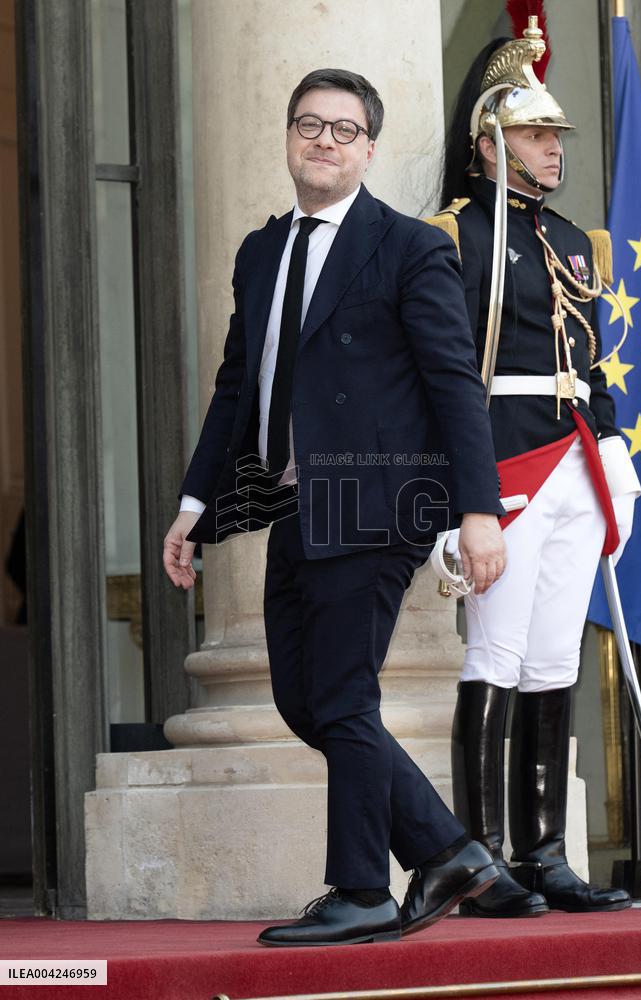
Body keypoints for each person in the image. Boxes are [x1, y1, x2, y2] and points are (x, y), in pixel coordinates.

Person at [163, 68, 508, 947]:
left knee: (344, 696)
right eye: (310, 125)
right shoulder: (259, 251)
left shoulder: (409, 247)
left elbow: (454, 388)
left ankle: (363, 891)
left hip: (381, 496)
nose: (324, 140)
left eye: (344, 130)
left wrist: (480, 511)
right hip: (295, 504)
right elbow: (236, 387)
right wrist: (196, 502)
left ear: (368, 148)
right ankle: (445, 851)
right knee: (303, 700)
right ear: (288, 138)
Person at [427, 23, 639, 917]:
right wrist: (457, 500)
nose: (554, 148)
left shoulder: (572, 242)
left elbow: (588, 361)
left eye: (557, 136)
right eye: (535, 134)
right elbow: (443, 379)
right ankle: (480, 862)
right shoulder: (449, 238)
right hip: (505, 462)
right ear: (488, 145)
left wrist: (615, 448)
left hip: (576, 465)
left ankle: (545, 852)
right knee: (498, 653)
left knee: (554, 658)